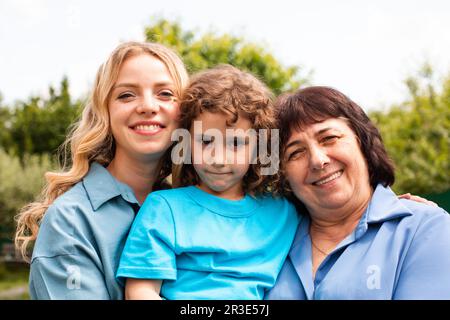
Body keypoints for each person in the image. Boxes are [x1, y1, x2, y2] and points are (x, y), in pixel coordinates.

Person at [14, 41, 189, 299]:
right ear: (105, 111)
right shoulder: (71, 222)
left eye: (165, 94)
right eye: (127, 95)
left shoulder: (191, 206)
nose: (148, 106)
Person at [116, 65, 299, 300]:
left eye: (236, 144)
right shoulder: (165, 208)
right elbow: (140, 291)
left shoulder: (284, 212)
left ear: (259, 148)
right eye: (205, 141)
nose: (219, 159)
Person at [266, 86, 450, 299]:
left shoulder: (424, 229)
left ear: (362, 142)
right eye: (296, 152)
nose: (318, 160)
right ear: (282, 173)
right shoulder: (268, 241)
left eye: (329, 138)